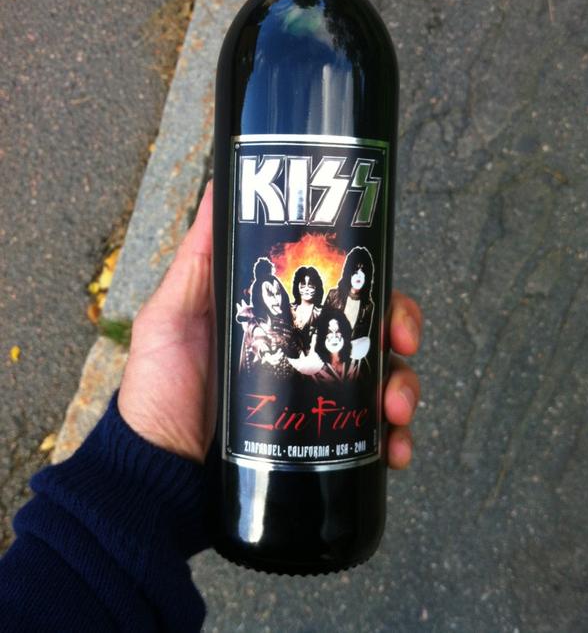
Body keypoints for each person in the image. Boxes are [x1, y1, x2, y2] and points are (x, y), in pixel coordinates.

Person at [0, 182, 422, 632]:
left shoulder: (328, 314)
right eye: (278, 290)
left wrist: (132, 479)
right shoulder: (260, 329)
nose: (286, 294)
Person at [237, 257, 298, 379]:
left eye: (278, 293)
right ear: (259, 296)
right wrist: (266, 354)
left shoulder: (289, 320)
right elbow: (259, 339)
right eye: (270, 294)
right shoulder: (255, 323)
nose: (276, 299)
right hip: (262, 382)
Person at [290, 264, 324, 353]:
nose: (306, 289)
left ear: (317, 287)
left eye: (311, 285)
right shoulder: (289, 309)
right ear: (297, 286)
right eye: (303, 285)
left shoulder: (322, 313)